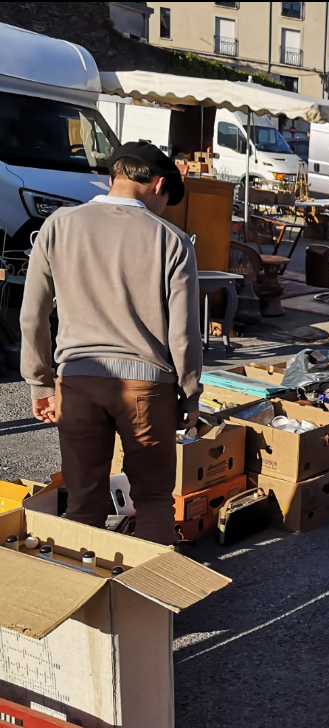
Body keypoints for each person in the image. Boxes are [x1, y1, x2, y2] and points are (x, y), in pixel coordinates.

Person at [20, 141, 200, 546]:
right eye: (166, 201)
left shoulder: (58, 226)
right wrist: (190, 395)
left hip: (78, 381)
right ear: (158, 185)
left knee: (83, 502)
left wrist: (40, 382)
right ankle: (152, 587)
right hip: (147, 387)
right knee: (153, 500)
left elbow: (33, 314)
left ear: (113, 177)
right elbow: (184, 333)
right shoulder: (172, 240)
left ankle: (83, 583)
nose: (163, 210)